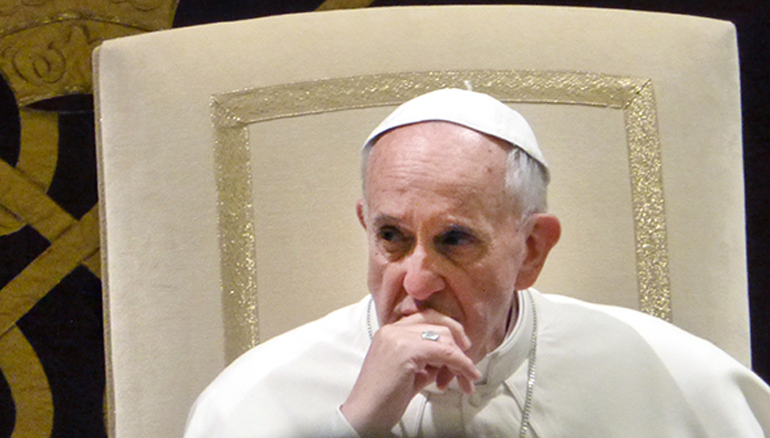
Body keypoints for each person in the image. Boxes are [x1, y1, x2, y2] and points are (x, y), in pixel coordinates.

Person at [184, 89, 770, 437]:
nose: (414, 280)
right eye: (392, 236)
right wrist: (353, 424)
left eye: (455, 240)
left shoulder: (673, 381)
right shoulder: (255, 399)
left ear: (532, 249)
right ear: (366, 226)